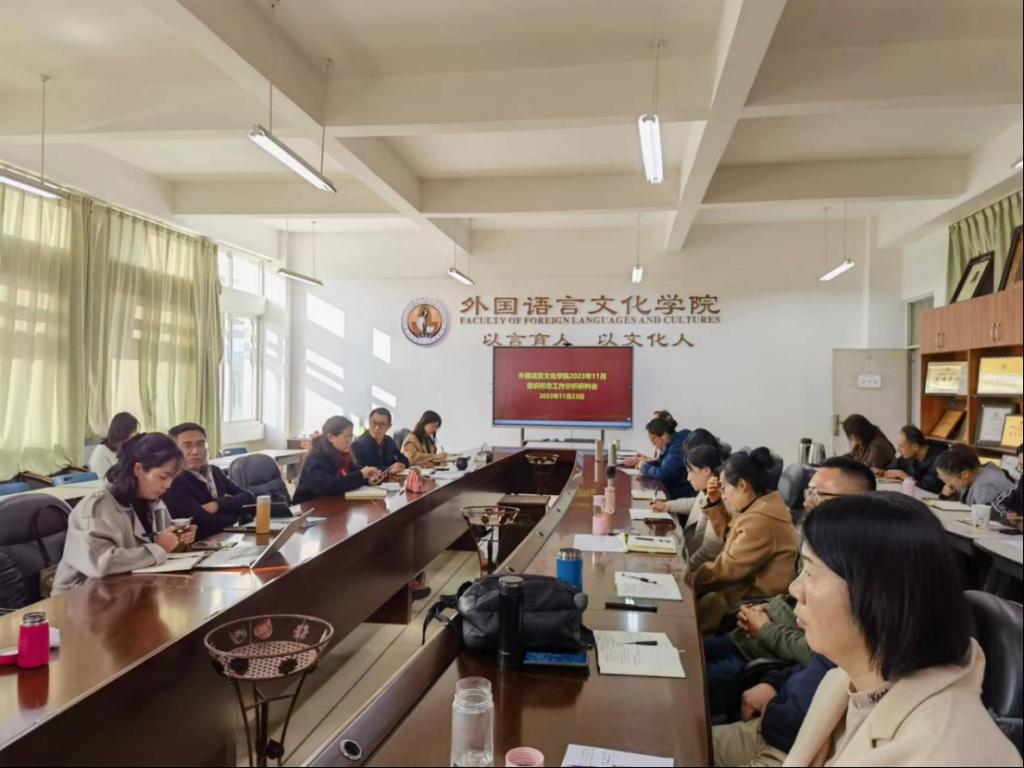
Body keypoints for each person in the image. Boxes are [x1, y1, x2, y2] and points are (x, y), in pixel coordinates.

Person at [784, 493, 1020, 766]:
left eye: (810, 572)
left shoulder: (943, 754)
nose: (794, 589)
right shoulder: (847, 682)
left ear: (879, 594)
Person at [707, 457, 877, 759]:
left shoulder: (856, 580)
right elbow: (819, 663)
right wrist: (774, 683)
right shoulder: (819, 547)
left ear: (856, 503)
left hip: (783, 719)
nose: (807, 502)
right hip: (774, 694)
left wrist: (765, 628)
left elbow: (818, 654)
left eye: (818, 494)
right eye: (808, 492)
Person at [52, 433, 196, 594]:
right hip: (83, 596)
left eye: (172, 479)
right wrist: (159, 547)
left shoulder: (153, 501)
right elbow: (100, 564)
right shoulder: (96, 508)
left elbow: (163, 545)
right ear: (138, 469)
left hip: (129, 589)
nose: (168, 485)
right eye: (162, 477)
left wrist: (178, 540)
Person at [693, 448, 798, 633]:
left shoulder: (761, 519)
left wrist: (688, 580)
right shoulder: (761, 505)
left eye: (724, 487)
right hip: (746, 588)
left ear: (742, 485)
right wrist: (715, 503)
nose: (723, 495)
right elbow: (732, 540)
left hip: (757, 601)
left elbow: (728, 568)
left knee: (702, 605)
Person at [162, 422, 256, 540]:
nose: (195, 451)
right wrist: (237, 514)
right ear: (174, 451)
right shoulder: (173, 480)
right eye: (187, 446)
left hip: (224, 539)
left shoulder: (214, 471)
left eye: (200, 444)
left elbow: (249, 498)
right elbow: (202, 524)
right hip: (197, 545)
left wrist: (217, 505)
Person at [651, 442, 729, 570]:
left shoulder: (718, 500)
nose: (688, 478)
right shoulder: (708, 490)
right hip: (690, 558)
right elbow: (695, 503)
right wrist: (667, 506)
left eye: (690, 471)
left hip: (701, 570)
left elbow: (709, 552)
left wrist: (684, 569)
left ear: (706, 471)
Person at [293, 416, 380, 504]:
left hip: (333, 503)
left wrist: (368, 478)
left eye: (351, 436)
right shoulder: (317, 457)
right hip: (310, 506)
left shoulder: (343, 454)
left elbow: (353, 473)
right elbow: (329, 485)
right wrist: (361, 475)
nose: (350, 441)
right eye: (346, 437)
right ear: (330, 437)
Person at [936, 444, 1016, 521]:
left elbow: (985, 518)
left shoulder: (985, 486)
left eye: (947, 480)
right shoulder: (970, 477)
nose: (948, 484)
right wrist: (947, 496)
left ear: (964, 474)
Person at [877, 424, 944, 494]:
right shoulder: (909, 455)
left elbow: (930, 487)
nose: (898, 450)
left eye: (901, 446)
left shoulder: (938, 459)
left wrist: (902, 475)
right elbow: (894, 465)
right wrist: (882, 471)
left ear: (915, 447)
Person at [639, 416, 693, 499]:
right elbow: (661, 462)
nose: (653, 444)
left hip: (683, 494)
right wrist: (645, 463)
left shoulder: (679, 445)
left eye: (653, 440)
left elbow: (663, 473)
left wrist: (644, 467)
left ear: (664, 435)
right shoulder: (672, 442)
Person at [351, 407, 409, 476]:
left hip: (391, 479)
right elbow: (361, 470)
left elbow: (403, 458)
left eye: (382, 424)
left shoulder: (389, 440)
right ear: (369, 422)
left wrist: (401, 465)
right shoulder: (358, 445)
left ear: (389, 426)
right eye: (374, 423)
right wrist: (388, 469)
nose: (377, 428)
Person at [90, 411, 139, 478]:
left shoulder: (127, 449)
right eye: (133, 431)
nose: (135, 435)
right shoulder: (101, 452)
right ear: (123, 432)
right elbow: (104, 480)